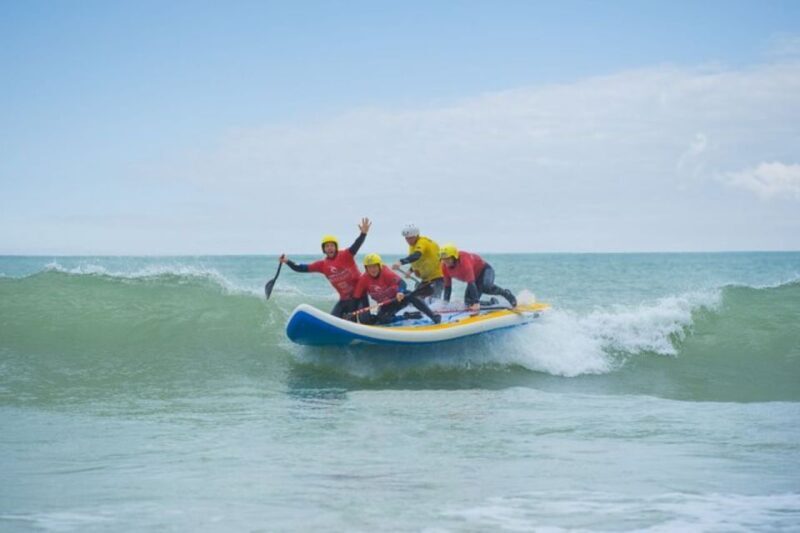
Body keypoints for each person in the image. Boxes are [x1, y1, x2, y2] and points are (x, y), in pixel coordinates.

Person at [280, 218, 371, 320]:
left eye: (332, 245)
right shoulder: (322, 265)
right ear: (323, 249)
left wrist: (363, 234)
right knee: (333, 321)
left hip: (359, 295)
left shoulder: (346, 255)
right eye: (327, 246)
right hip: (345, 300)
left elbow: (356, 245)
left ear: (336, 247)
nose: (330, 248)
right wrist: (287, 261)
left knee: (365, 320)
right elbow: (301, 268)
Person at [354, 253, 441, 325]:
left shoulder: (386, 273)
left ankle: (434, 316)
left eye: (374, 266)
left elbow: (402, 283)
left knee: (412, 296)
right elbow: (357, 298)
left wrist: (400, 292)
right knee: (381, 321)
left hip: (398, 298)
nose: (373, 269)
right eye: (369, 267)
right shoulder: (363, 279)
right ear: (366, 268)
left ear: (379, 266)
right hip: (386, 304)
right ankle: (407, 316)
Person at [439, 243, 517, 312]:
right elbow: (448, 287)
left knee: (486, 286)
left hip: (485, 271)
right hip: (474, 279)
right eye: (443, 259)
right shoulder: (444, 267)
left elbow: (471, 283)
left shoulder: (464, 262)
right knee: (468, 303)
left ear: (454, 257)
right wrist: (445, 305)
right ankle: (492, 303)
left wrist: (476, 303)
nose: (445, 262)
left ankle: (507, 294)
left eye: (448, 259)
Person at [391, 224, 444, 300]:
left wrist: (400, 262)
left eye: (410, 238)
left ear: (416, 235)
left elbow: (417, 255)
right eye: (406, 238)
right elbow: (418, 260)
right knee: (415, 301)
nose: (408, 241)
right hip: (426, 280)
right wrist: (410, 270)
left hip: (437, 279)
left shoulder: (422, 242)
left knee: (434, 302)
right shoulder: (412, 245)